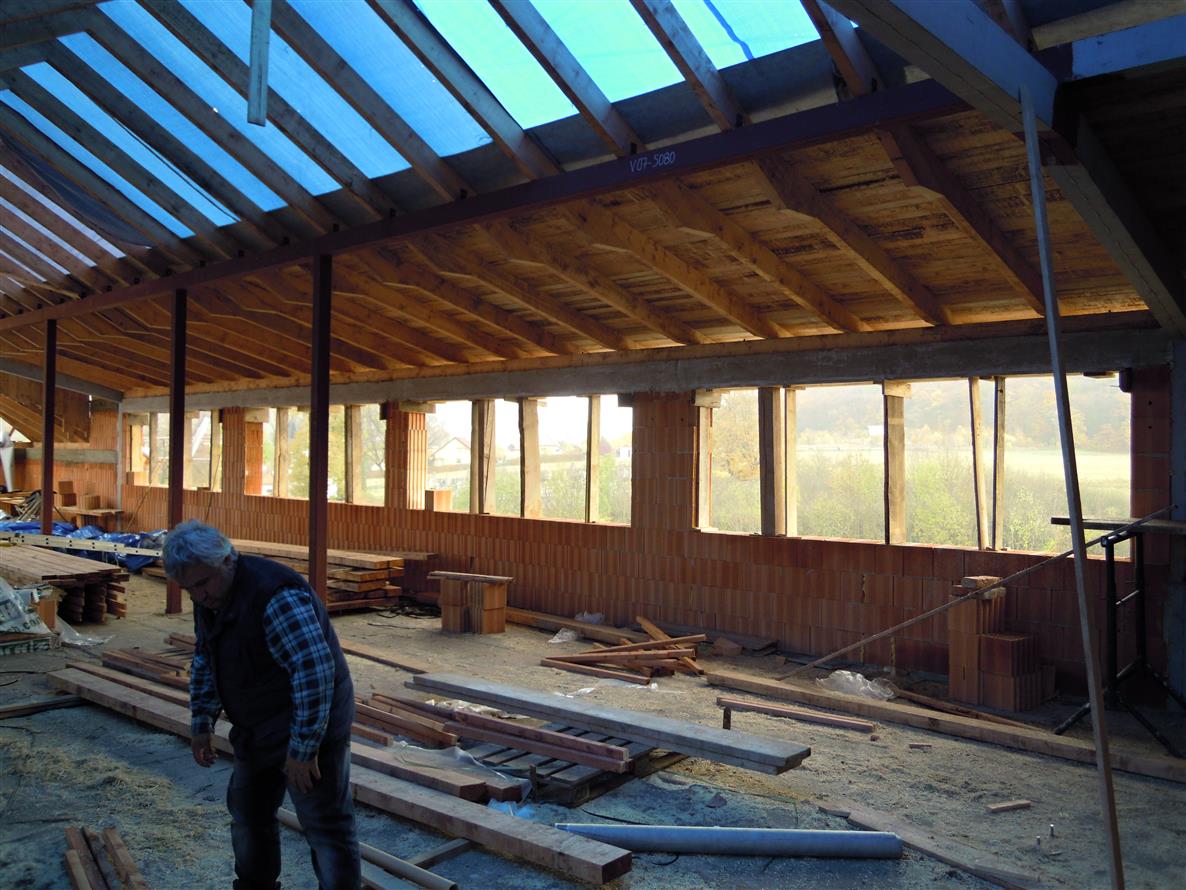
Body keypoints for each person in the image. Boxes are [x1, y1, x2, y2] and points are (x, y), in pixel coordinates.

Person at [163, 520, 360, 890]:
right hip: (258, 727)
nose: (199, 596)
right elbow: (206, 656)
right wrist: (201, 721)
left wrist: (303, 749)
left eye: (203, 583)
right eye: (189, 589)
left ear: (227, 560)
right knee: (248, 814)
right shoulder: (211, 599)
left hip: (311, 724)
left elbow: (314, 672)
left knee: (325, 825)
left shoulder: (275, 596)